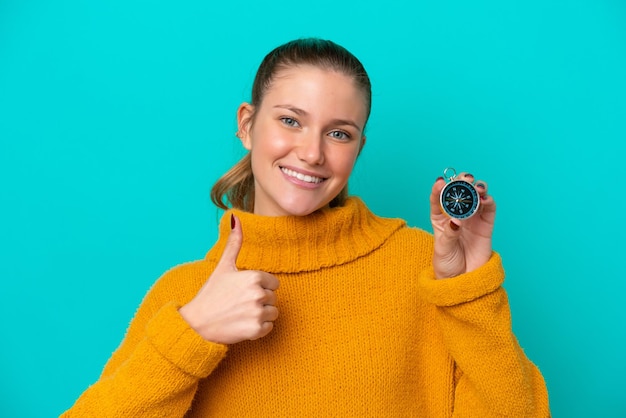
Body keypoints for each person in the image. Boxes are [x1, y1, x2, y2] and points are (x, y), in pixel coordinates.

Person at [63, 38, 550, 417]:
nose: (313, 153)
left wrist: (468, 289)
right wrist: (194, 333)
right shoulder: (188, 296)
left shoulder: (423, 269)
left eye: (339, 133)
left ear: (358, 147)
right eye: (291, 121)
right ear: (247, 124)